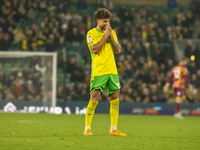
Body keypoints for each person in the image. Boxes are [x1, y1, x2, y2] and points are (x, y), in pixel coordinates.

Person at [84, 8, 126, 136]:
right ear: (98, 20)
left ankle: (113, 129)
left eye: (108, 21)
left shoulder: (112, 32)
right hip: (99, 71)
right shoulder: (91, 33)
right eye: (104, 21)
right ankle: (87, 128)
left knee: (115, 99)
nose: (107, 24)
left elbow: (118, 50)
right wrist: (105, 36)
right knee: (94, 98)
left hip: (112, 71)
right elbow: (95, 49)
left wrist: (110, 37)